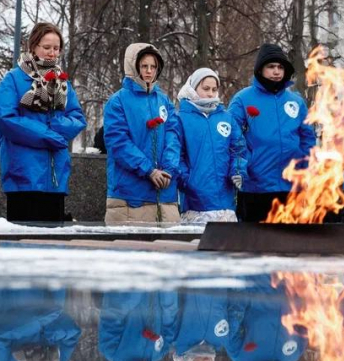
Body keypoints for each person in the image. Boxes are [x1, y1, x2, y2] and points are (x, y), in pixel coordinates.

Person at [0, 22, 86, 223]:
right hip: (23, 174)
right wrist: (46, 135)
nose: (52, 53)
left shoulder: (63, 83)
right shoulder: (13, 79)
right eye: (46, 48)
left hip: (56, 174)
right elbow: (5, 118)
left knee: (53, 247)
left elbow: (78, 118)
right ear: (33, 47)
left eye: (56, 48)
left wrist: (56, 127)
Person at [228, 44, 316, 222]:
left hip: (291, 186)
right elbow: (231, 139)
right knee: (256, 244)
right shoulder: (243, 99)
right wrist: (242, 166)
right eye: (271, 67)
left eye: (280, 67)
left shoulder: (296, 102)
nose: (276, 71)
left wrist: (306, 168)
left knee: (290, 244)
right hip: (256, 186)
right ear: (260, 70)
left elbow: (308, 138)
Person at [102, 42, 181, 224]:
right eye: (144, 66)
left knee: (167, 249)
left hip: (164, 194)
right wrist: (149, 170)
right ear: (133, 66)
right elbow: (118, 143)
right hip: (130, 195)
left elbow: (173, 136)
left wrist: (168, 169)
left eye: (153, 67)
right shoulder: (118, 101)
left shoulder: (164, 101)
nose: (149, 71)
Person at [174, 68, 247, 224]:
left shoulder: (226, 117)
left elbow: (238, 150)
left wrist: (238, 171)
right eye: (205, 89)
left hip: (225, 204)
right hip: (195, 204)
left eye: (214, 89)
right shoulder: (181, 118)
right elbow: (176, 156)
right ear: (193, 89)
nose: (210, 94)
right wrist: (188, 181)